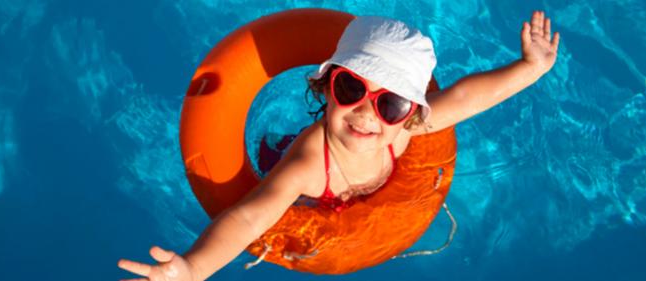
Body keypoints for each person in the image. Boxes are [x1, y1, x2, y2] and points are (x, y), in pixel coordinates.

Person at [118, 10, 560, 281]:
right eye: (351, 88)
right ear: (325, 87)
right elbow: (251, 215)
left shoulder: (405, 133)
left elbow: (465, 98)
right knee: (271, 181)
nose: (368, 113)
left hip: (367, 199)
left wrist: (529, 68)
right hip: (313, 195)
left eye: (391, 102)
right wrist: (194, 269)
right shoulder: (310, 162)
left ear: (413, 112)